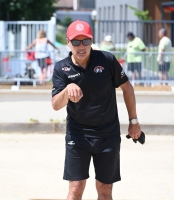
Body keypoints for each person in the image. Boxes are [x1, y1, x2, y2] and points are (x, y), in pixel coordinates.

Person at [51, 20, 141, 200]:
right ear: (68, 43)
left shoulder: (107, 60)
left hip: (108, 135)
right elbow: (55, 105)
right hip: (78, 135)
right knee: (75, 189)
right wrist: (67, 90)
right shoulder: (61, 68)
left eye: (86, 41)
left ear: (92, 41)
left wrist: (134, 121)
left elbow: (127, 88)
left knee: (105, 190)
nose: (81, 46)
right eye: (76, 41)